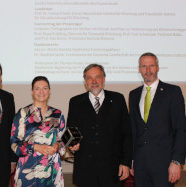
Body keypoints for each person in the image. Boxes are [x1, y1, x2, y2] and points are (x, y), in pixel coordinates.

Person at [67, 64, 133, 187]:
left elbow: (127, 134)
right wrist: (72, 145)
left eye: (98, 77)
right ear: (85, 81)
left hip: (113, 170)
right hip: (85, 170)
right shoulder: (75, 102)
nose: (94, 81)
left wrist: (126, 162)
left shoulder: (118, 99)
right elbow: (71, 132)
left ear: (104, 79)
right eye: (89, 78)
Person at [129, 52, 186, 187]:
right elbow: (133, 130)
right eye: (144, 66)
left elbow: (181, 128)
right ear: (139, 69)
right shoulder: (133, 94)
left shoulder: (173, 92)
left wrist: (177, 161)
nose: (148, 70)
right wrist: (132, 160)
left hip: (165, 164)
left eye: (151, 66)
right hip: (141, 165)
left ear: (158, 67)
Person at [10, 76, 66, 187]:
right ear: (32, 91)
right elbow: (14, 143)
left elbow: (63, 140)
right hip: (28, 169)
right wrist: (36, 147)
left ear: (49, 91)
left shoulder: (58, 114)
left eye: (45, 88)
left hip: (52, 170)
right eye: (37, 88)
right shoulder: (23, 113)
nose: (41, 91)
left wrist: (58, 146)